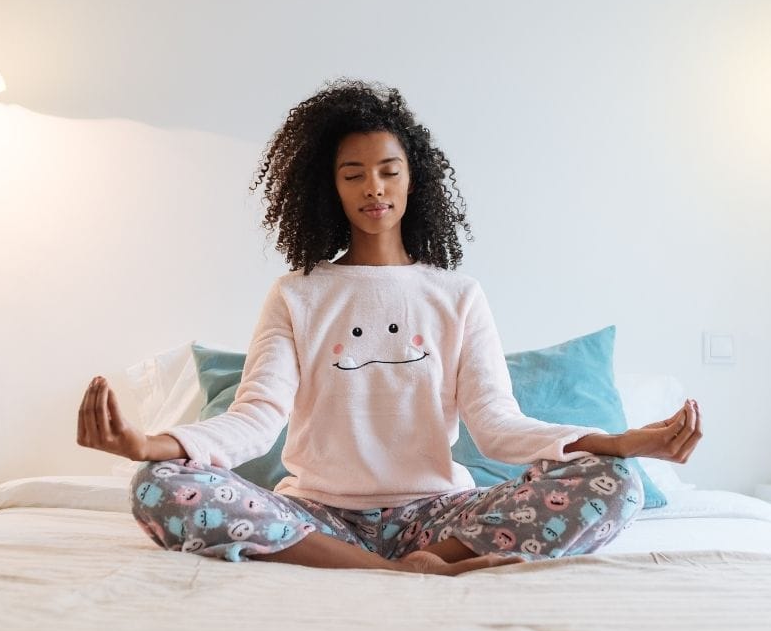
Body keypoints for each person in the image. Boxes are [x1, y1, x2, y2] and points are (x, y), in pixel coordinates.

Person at [77, 78, 702, 576]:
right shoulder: (298, 294)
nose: (373, 188)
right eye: (353, 175)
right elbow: (256, 418)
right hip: (315, 517)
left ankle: (433, 561)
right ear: (329, 190)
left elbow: (499, 428)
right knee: (157, 485)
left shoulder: (457, 294)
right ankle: (391, 571)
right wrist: (148, 444)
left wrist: (618, 443)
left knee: (615, 483)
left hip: (439, 517)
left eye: (388, 170)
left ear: (413, 178)